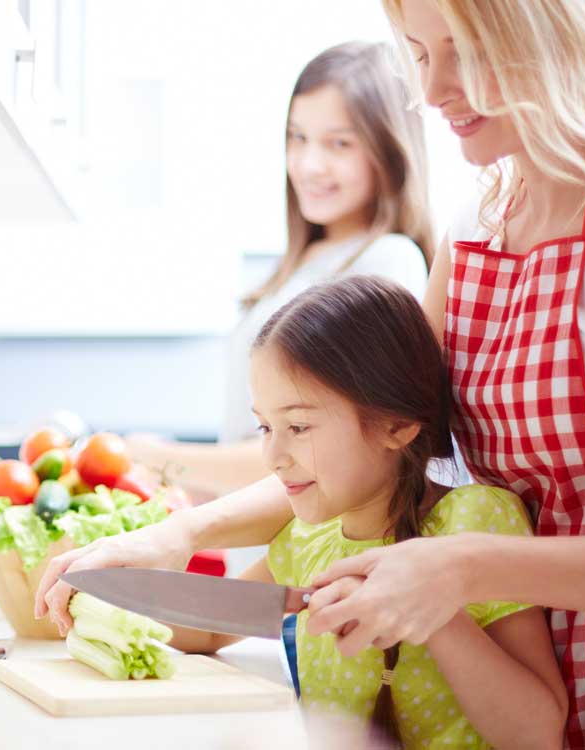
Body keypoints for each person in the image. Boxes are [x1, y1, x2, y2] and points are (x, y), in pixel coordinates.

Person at [38, 0, 585, 745]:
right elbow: (361, 442)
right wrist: (177, 536)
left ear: (550, 36)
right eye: (421, 56)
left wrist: (461, 569)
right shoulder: (483, 224)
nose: (431, 94)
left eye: (463, 52)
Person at [161, 276, 565, 747]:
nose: (273, 455)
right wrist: (94, 603)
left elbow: (537, 733)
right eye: (265, 426)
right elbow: (210, 630)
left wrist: (430, 612)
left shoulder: (475, 522)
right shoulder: (308, 538)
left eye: (298, 425)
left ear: (397, 425)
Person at [124, 40, 432, 505]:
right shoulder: (298, 266)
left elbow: (319, 451)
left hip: (317, 559)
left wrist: (159, 457)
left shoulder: (387, 261)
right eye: (298, 137)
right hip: (260, 549)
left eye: (339, 143)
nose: (309, 164)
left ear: (389, 151)